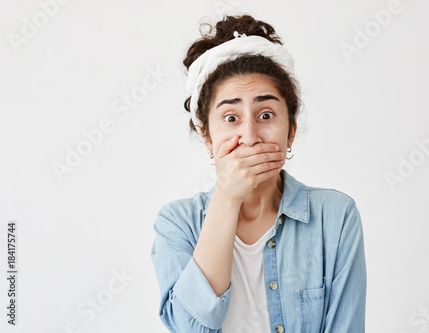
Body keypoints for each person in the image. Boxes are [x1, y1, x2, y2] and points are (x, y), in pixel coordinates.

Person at [150, 14, 367, 333]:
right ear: (207, 135)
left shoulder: (336, 216)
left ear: (290, 132)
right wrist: (226, 197)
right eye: (231, 117)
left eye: (266, 114)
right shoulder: (176, 223)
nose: (250, 136)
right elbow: (187, 328)